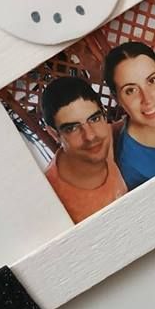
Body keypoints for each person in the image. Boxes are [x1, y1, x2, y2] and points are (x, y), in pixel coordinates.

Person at [41, 76, 127, 223]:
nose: (90, 136)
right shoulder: (51, 197)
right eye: (72, 128)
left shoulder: (105, 137)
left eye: (94, 119)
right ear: (54, 134)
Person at [103, 41, 155, 189]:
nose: (147, 99)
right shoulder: (133, 167)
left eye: (152, 81)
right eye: (131, 90)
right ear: (117, 99)